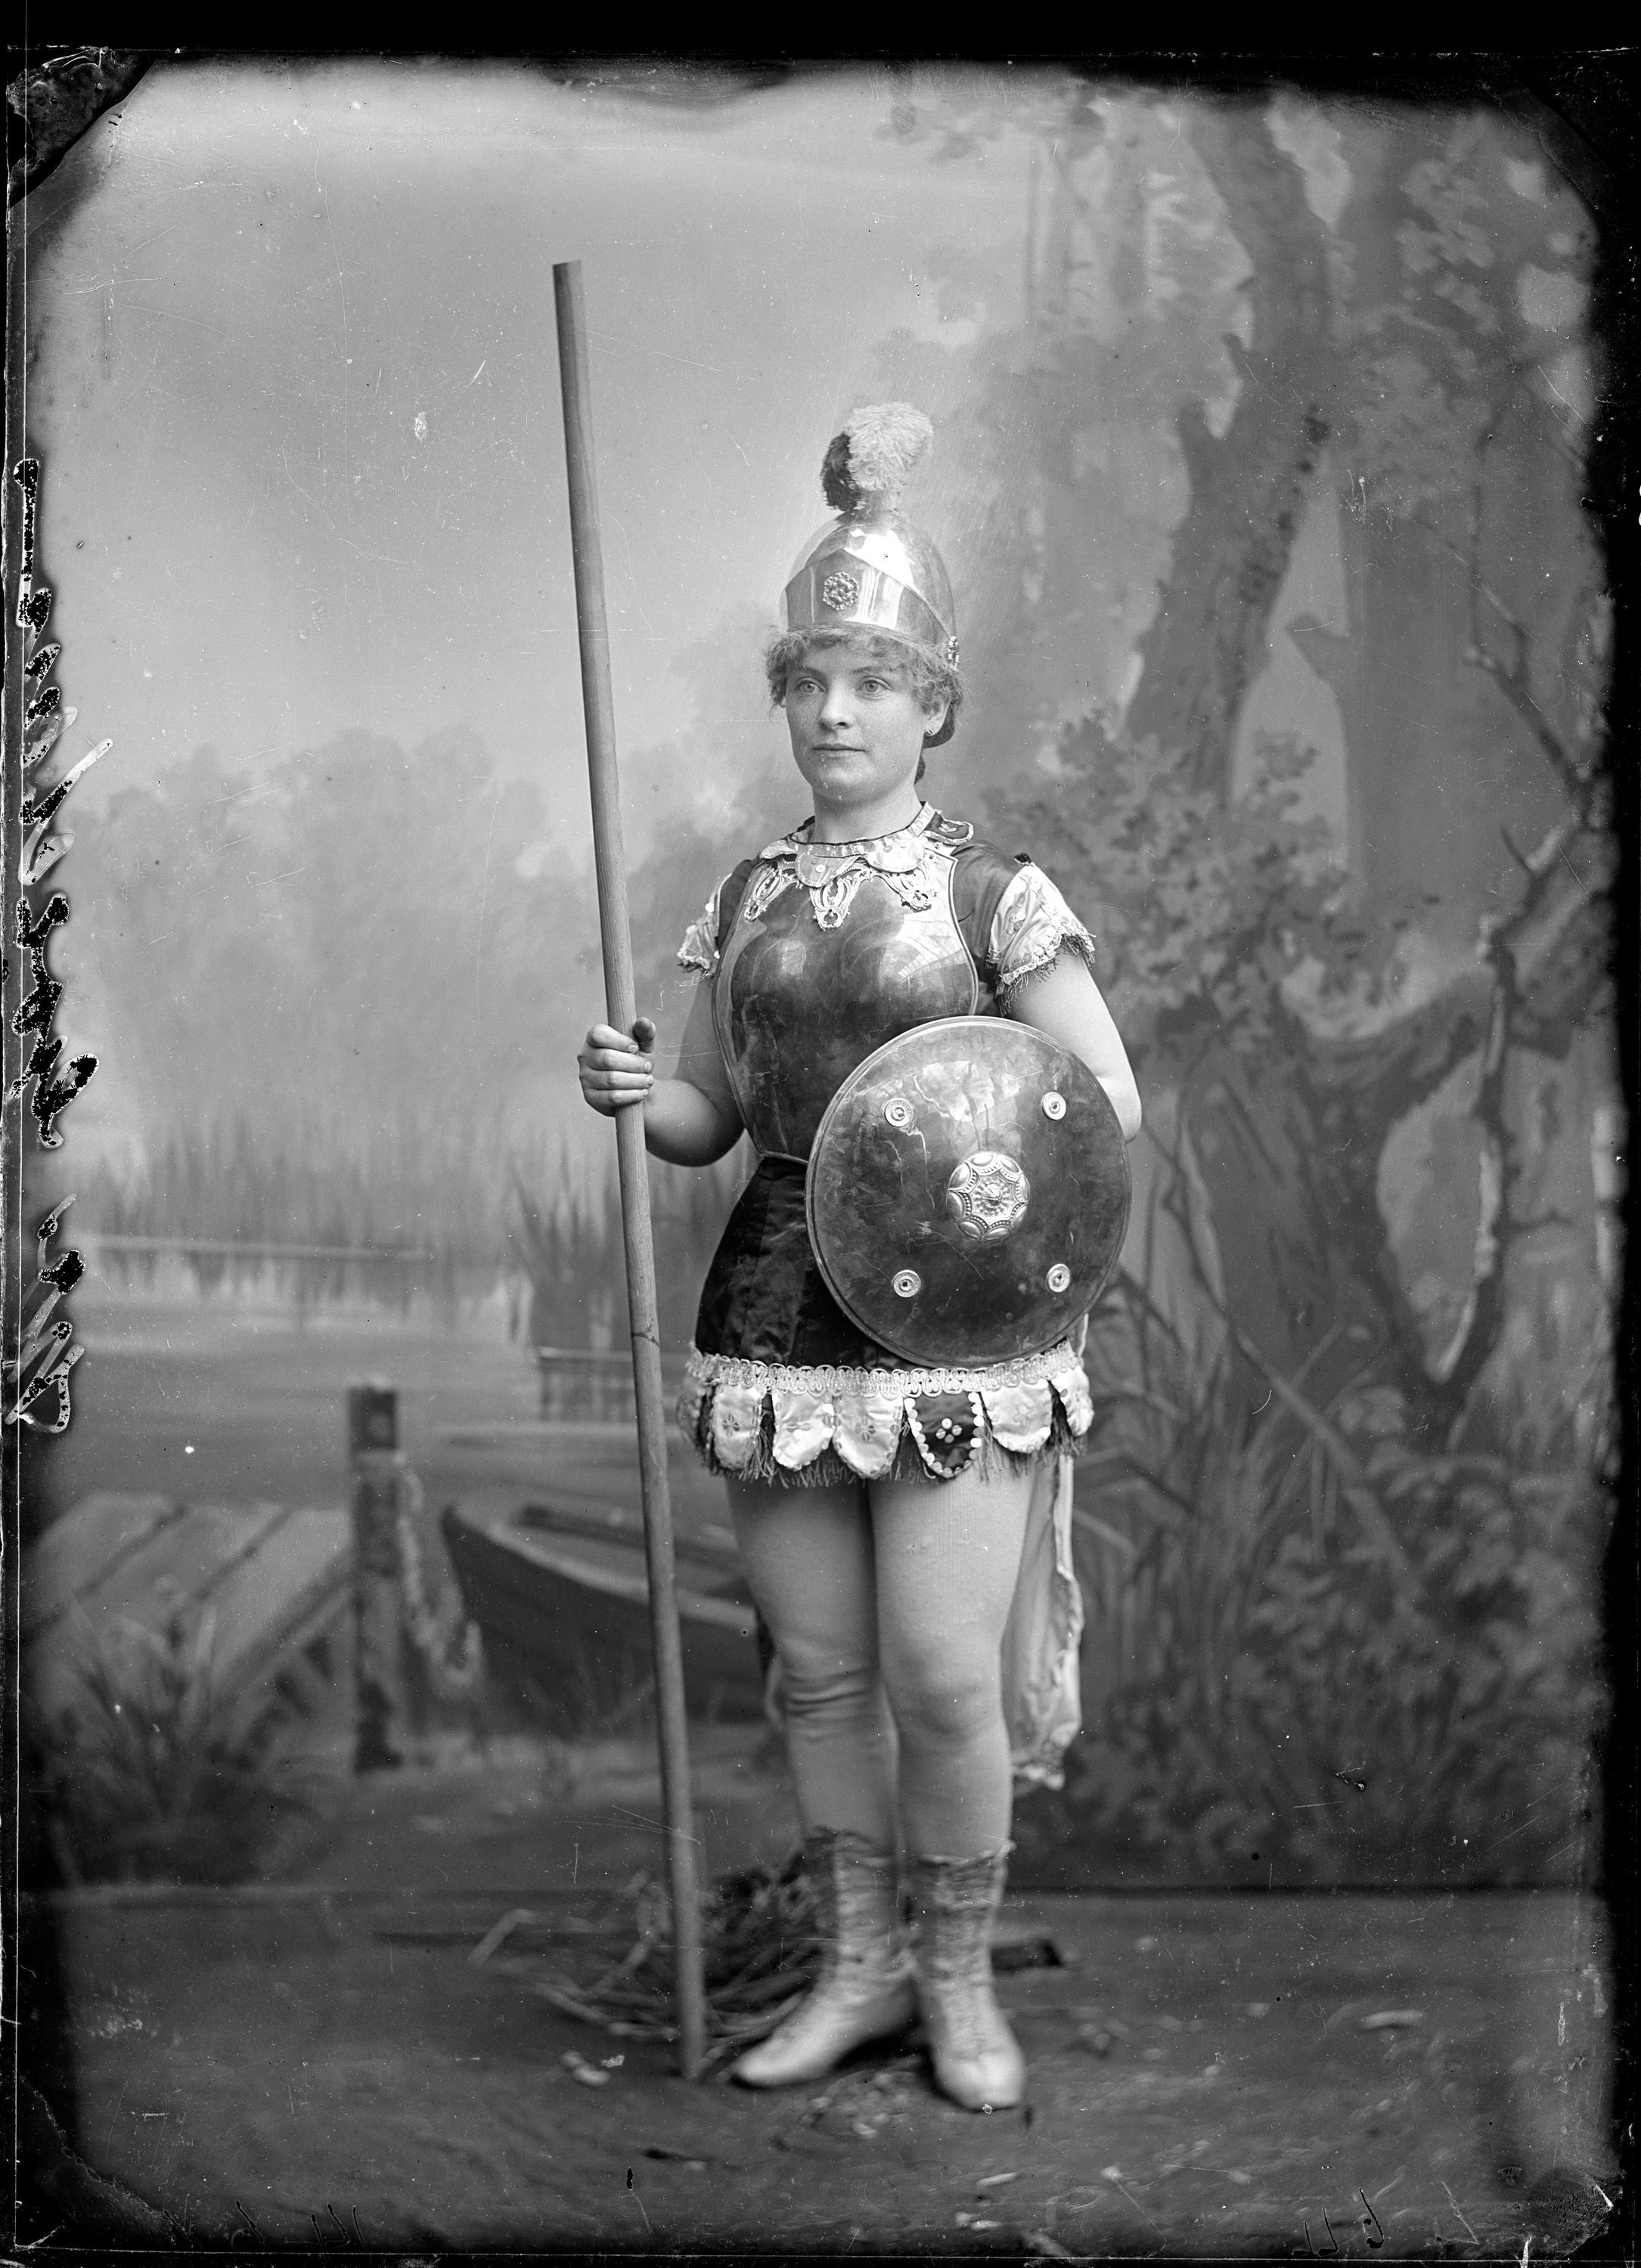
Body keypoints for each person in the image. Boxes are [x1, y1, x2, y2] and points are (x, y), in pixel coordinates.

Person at [579, 404, 1140, 2112]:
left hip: (955, 1324)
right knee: (819, 1677)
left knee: (939, 1681)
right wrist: (640, 1094)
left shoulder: (993, 896)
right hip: (775, 1308)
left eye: (871, 683)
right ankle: (858, 1970)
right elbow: (709, 1116)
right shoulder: (743, 895)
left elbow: (1096, 1104)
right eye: (809, 682)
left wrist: (981, 1193)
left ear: (931, 706)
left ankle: (957, 1990)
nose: (833, 712)